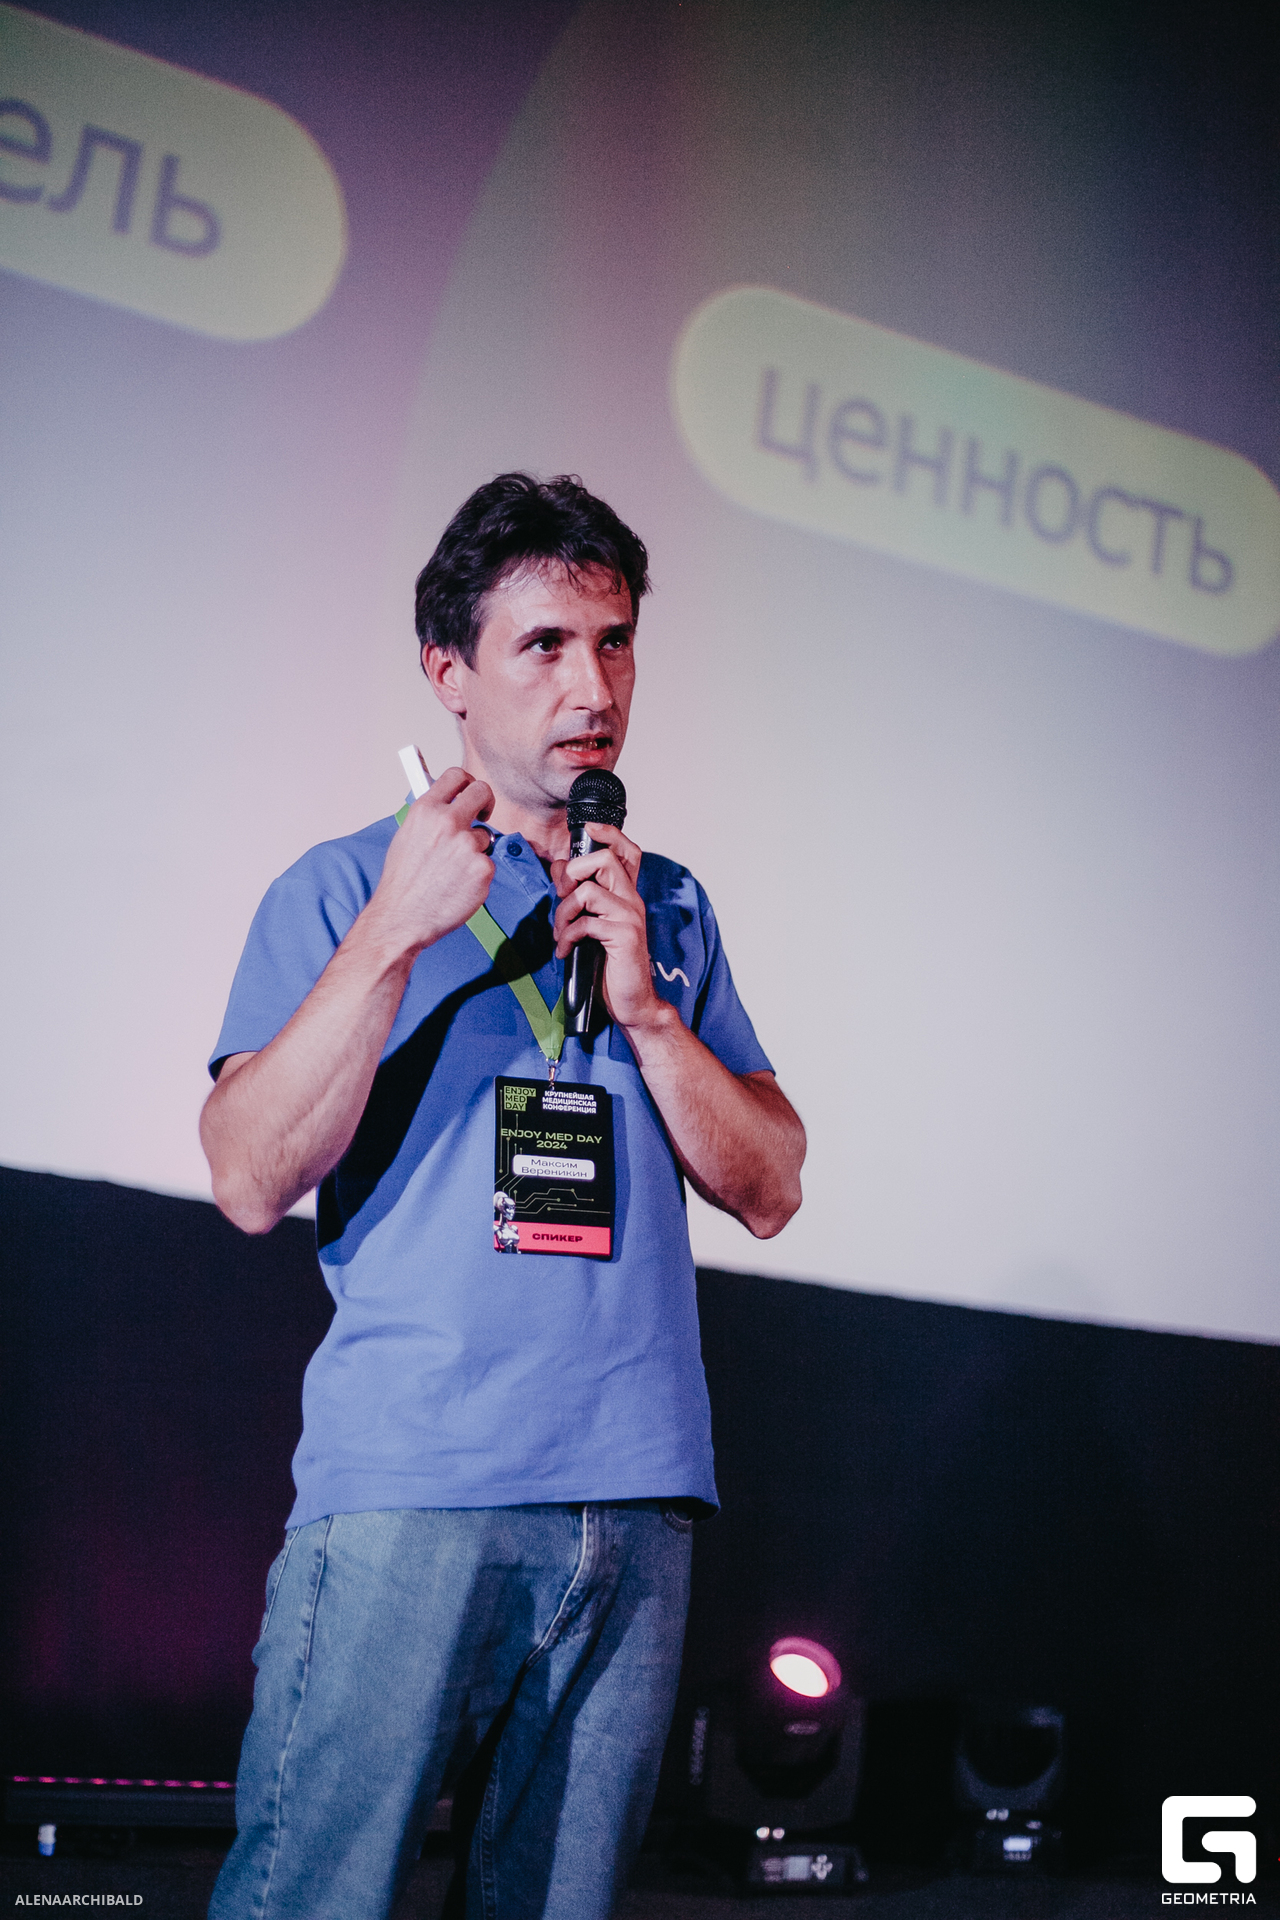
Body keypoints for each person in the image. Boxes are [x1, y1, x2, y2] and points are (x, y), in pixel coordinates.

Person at [201, 473, 805, 1920]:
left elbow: (773, 1184)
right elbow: (248, 1175)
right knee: (311, 1897)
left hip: (637, 1497)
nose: (593, 686)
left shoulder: (667, 906)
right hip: (419, 1487)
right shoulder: (344, 886)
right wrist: (395, 935)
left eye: (615, 642)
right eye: (545, 645)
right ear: (448, 672)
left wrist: (648, 1012)